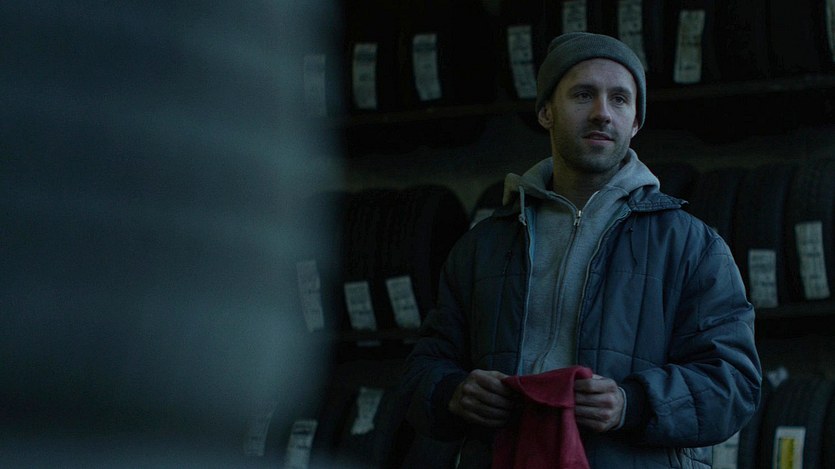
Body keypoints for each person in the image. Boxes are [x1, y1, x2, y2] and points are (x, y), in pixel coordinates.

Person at [401, 32, 762, 468]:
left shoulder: (692, 246)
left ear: (635, 122)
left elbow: (734, 383)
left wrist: (632, 403)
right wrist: (452, 392)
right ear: (546, 112)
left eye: (620, 99)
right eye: (583, 94)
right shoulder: (483, 246)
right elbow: (423, 367)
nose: (601, 113)